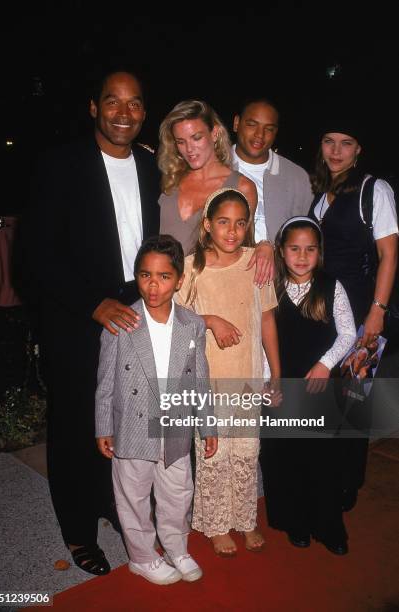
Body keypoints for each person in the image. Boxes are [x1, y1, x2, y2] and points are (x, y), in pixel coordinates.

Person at [25, 69, 160, 575]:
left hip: (137, 308)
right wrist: (92, 304)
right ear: (93, 107)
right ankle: (79, 530)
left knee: (124, 421)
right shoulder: (60, 164)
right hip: (79, 316)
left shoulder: (150, 168)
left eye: (135, 104)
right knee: (78, 423)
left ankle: (111, 501)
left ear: (144, 112)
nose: (124, 113)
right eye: (113, 102)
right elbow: (36, 255)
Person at [96, 235, 217, 585]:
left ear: (179, 279)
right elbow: (104, 380)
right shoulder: (120, 321)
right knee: (132, 494)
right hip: (132, 423)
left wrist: (207, 426)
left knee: (178, 492)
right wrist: (103, 425)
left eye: (164, 276)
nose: (153, 285)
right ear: (136, 276)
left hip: (176, 420)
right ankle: (142, 557)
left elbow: (200, 381)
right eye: (145, 274)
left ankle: (176, 547)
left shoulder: (192, 323)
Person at [176, 188, 280, 556]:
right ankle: (217, 523)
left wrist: (276, 373)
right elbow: (173, 321)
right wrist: (209, 320)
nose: (232, 231)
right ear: (207, 225)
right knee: (213, 452)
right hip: (208, 382)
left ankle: (245, 520)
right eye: (223, 222)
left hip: (248, 376)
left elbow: (267, 319)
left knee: (246, 452)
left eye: (240, 223)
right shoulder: (191, 268)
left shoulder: (257, 263)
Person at [309, 121, 398, 509]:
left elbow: (390, 254)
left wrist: (377, 312)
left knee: (353, 401)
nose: (336, 150)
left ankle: (346, 487)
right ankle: (325, 476)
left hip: (362, 311)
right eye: (329, 141)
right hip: (324, 312)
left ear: (359, 149)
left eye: (346, 143)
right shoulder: (320, 193)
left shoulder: (373, 190)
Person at [261, 217, 356, 555]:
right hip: (283, 387)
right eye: (294, 249)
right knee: (287, 460)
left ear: (320, 252)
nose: (302, 256)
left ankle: (329, 527)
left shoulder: (332, 287)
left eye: (310, 249)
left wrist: (325, 364)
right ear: (281, 251)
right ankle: (295, 522)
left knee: (323, 461)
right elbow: (263, 339)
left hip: (319, 388)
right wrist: (267, 382)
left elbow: (348, 333)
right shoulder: (271, 288)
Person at [158, 99, 274, 350]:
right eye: (181, 141)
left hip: (214, 310)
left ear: (215, 133)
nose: (189, 149)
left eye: (197, 137)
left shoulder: (241, 187)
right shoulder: (167, 182)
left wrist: (266, 245)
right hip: (164, 300)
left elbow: (243, 249)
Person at [232, 98, 313, 242]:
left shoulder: (297, 177)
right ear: (237, 123)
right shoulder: (214, 168)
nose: (259, 135)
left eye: (269, 129)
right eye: (252, 125)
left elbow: (306, 237)